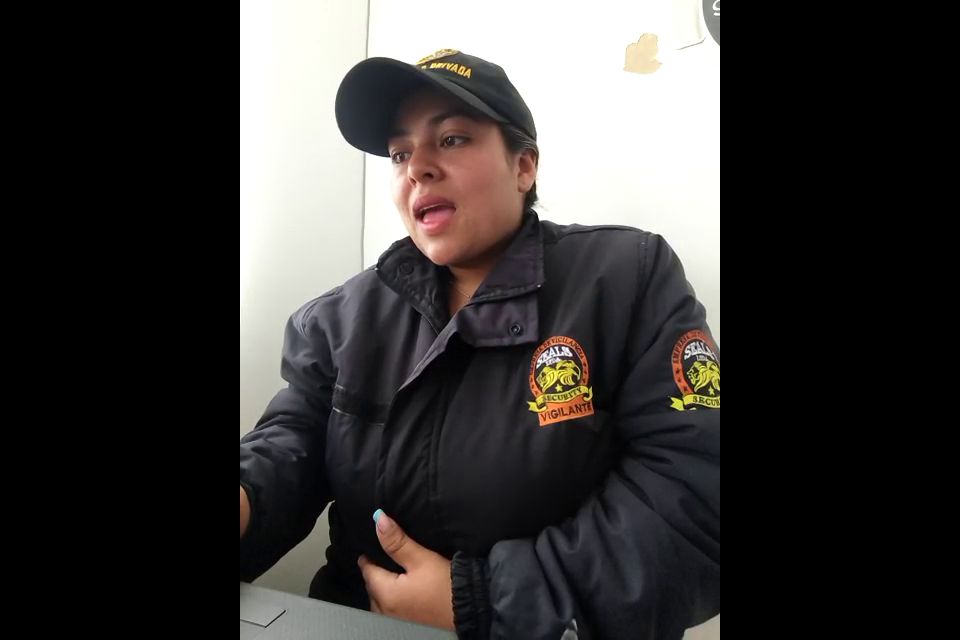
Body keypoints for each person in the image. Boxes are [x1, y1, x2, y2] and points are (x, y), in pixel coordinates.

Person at [240, 48, 720, 640]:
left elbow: (695, 495)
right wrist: (246, 498)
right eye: (399, 153)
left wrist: (488, 602)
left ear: (524, 166)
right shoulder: (341, 317)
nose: (417, 168)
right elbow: (291, 442)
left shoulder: (626, 279)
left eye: (452, 139)